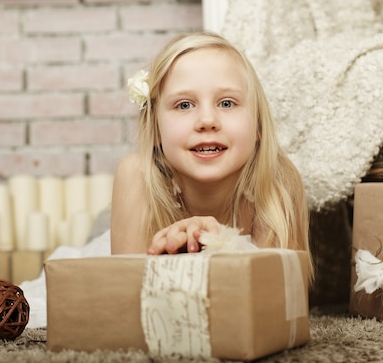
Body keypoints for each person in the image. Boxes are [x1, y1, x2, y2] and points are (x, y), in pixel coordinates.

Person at [111, 31, 312, 274]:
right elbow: (125, 294)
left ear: (258, 125)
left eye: (226, 103)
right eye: (184, 105)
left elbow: (281, 294)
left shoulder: (277, 179)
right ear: (155, 131)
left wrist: (224, 244)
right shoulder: (137, 174)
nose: (207, 120)